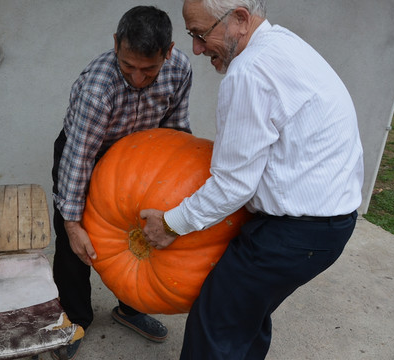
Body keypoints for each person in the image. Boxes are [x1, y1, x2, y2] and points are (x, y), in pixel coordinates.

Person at [140, 0, 364, 359]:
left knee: (214, 323)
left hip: (296, 232)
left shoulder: (249, 71)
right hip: (327, 226)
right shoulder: (283, 45)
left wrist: (171, 224)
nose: (196, 48)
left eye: (201, 34)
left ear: (240, 19)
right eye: (192, 36)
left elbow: (233, 185)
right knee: (244, 314)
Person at [51, 5, 193, 359]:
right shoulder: (98, 87)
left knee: (143, 230)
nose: (139, 78)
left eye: (149, 69)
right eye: (129, 66)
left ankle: (130, 307)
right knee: (75, 245)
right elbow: (79, 156)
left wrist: (178, 182)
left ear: (168, 52)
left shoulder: (180, 68)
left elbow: (175, 129)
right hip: (89, 151)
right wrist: (71, 223)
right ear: (116, 43)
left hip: (141, 157)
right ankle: (74, 316)